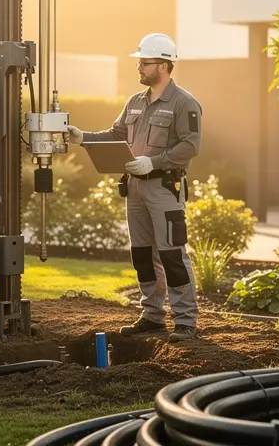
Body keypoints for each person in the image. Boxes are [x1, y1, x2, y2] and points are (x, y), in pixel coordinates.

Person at [66, 33, 203, 343]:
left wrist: (153, 163)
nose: (139, 67)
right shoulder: (135, 102)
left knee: (172, 255)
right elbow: (115, 135)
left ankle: (185, 322)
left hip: (164, 189)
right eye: (139, 62)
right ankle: (153, 316)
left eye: (145, 62)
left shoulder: (184, 103)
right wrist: (82, 137)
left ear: (165, 66)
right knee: (142, 255)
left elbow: (191, 146)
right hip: (135, 190)